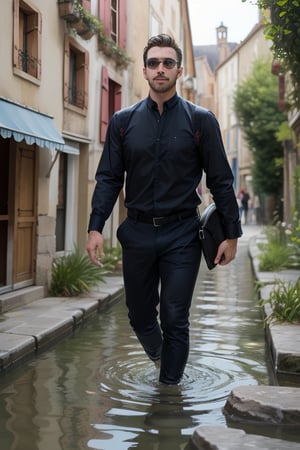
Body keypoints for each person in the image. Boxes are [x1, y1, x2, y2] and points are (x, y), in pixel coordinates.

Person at [86, 34, 242, 385]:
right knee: (139, 316)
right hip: (137, 232)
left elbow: (220, 180)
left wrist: (232, 234)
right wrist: (96, 227)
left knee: (175, 316)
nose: (161, 69)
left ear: (179, 70)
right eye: (154, 63)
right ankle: (163, 359)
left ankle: (169, 393)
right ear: (144, 70)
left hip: (183, 234)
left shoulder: (201, 121)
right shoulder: (123, 123)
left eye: (167, 63)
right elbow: (109, 178)